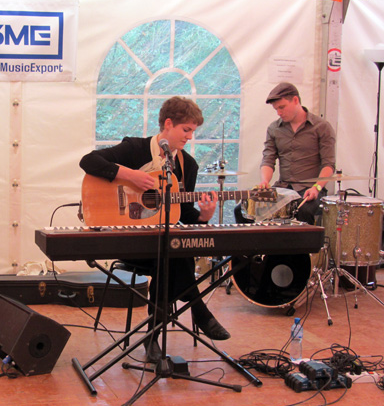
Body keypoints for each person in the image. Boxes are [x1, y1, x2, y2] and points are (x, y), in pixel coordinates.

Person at [79, 96, 229, 363]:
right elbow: (88, 161)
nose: (190, 137)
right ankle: (197, 311)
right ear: (168, 124)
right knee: (172, 252)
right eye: (186, 130)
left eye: (193, 131)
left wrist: (204, 216)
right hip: (127, 240)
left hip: (160, 246)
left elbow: (181, 215)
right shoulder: (134, 149)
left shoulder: (187, 166)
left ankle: (153, 337)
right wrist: (130, 175)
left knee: (169, 251)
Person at [235, 82, 336, 224]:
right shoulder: (274, 128)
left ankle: (303, 246)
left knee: (304, 211)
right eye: (276, 109)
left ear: (295, 100)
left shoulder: (322, 127)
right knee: (241, 210)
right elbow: (268, 160)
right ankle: (255, 246)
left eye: (282, 107)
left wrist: (317, 187)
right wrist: (265, 181)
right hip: (283, 188)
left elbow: (329, 164)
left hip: (310, 189)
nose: (279, 112)